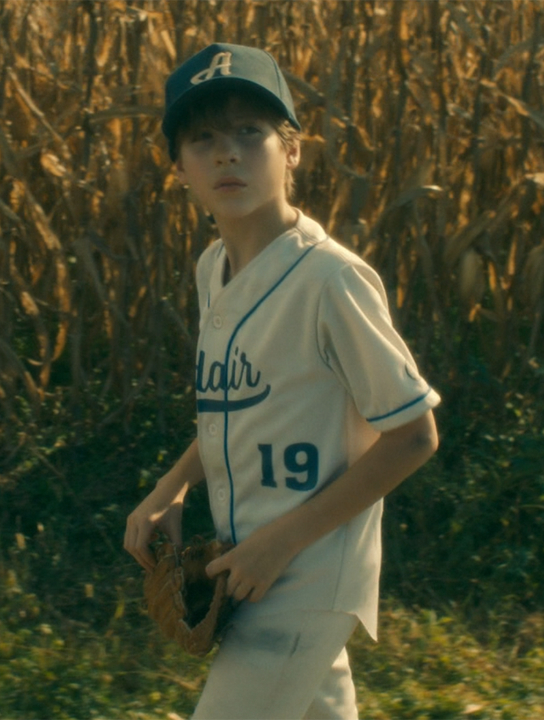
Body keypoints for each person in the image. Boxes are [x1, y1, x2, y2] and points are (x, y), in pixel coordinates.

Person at [124, 42, 440, 720]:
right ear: (179, 168)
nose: (227, 153)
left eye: (249, 131)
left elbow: (413, 436)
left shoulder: (332, 280)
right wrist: (172, 485)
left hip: (307, 571)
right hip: (253, 563)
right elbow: (232, 410)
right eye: (202, 137)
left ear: (292, 149)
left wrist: (283, 541)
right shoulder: (215, 269)